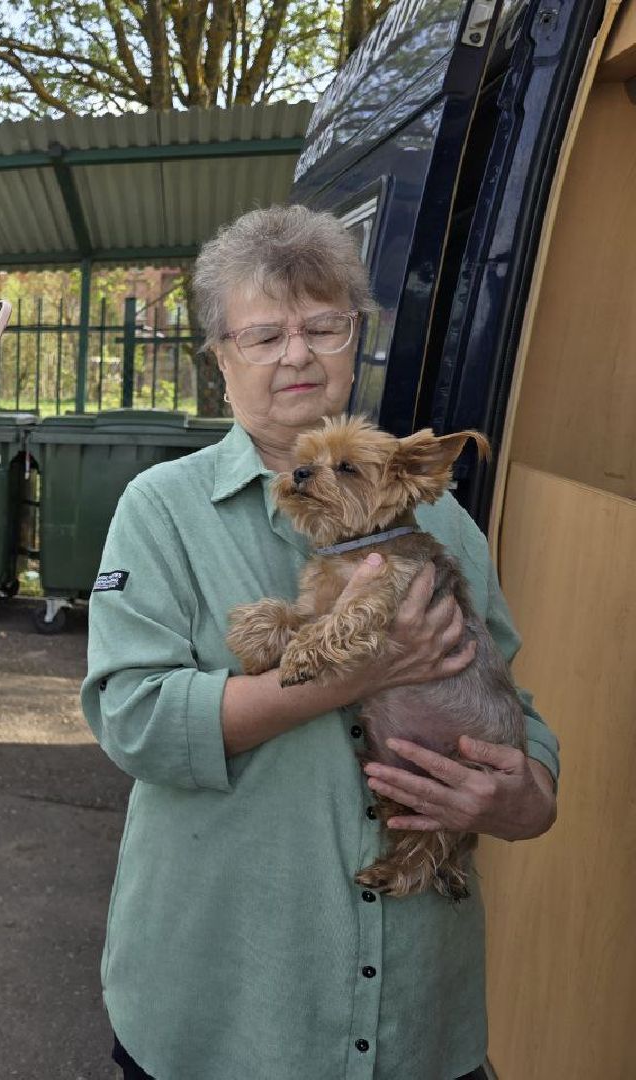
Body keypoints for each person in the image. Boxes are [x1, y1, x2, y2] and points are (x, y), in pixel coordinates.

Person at [81, 205, 559, 1080]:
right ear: (220, 359)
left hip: (421, 1012)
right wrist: (349, 675)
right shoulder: (161, 510)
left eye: (323, 326)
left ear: (357, 340)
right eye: (263, 334)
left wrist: (526, 799)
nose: (297, 355)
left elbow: (509, 703)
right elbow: (134, 723)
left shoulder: (442, 517)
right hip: (226, 1005)